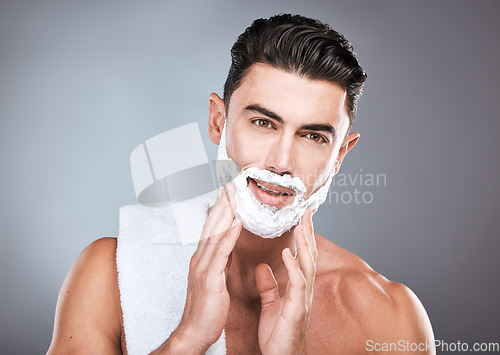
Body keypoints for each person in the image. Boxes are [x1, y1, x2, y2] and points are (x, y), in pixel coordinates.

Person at [47, 14, 434, 354]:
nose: (281, 163)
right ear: (219, 121)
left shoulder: (388, 318)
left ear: (340, 156)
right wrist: (188, 340)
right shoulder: (109, 277)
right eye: (263, 123)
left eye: (313, 136)